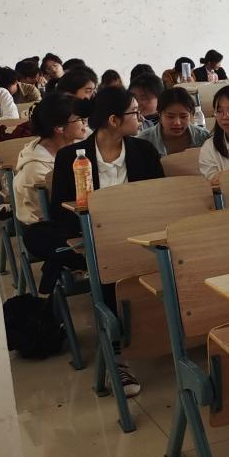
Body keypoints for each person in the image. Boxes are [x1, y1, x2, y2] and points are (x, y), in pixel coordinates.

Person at [51, 87, 165, 397]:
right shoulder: (71, 158)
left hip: (141, 235)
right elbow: (60, 212)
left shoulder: (144, 151)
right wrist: (89, 237)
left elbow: (159, 201)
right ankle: (118, 355)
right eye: (134, 113)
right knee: (111, 267)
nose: (141, 118)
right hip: (96, 240)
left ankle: (164, 337)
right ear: (114, 120)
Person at [14, 93, 86, 302]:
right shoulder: (36, 168)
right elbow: (49, 215)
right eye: (79, 120)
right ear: (59, 128)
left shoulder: (76, 147)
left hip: (76, 218)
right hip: (47, 225)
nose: (84, 124)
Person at [137, 87, 209, 156]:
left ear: (191, 116)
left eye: (183, 116)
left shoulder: (204, 138)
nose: (177, 123)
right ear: (159, 115)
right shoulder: (143, 141)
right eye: (170, 117)